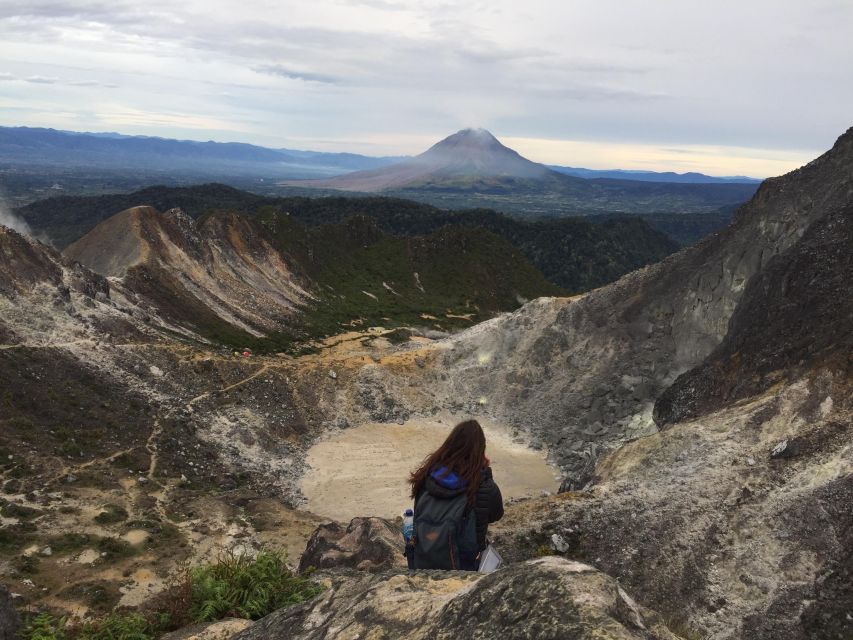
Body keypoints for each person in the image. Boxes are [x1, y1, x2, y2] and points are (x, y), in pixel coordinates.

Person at [407, 419, 504, 570]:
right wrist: (485, 473)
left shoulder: (427, 476)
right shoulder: (482, 485)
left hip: (423, 562)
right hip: (464, 568)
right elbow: (496, 515)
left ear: (449, 444)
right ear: (480, 451)